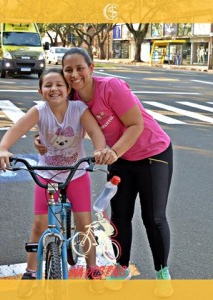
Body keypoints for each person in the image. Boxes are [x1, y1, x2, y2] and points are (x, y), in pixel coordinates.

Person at [35, 47, 173, 284]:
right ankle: (121, 268)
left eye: (80, 68)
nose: (74, 74)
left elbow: (135, 124)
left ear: (91, 68)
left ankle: (162, 274)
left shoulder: (111, 87)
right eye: (68, 70)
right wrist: (42, 140)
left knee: (153, 217)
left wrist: (113, 151)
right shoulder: (73, 98)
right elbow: (58, 120)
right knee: (120, 217)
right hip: (118, 158)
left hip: (152, 153)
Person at [0, 68, 106, 280]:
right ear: (40, 90)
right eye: (48, 85)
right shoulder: (39, 111)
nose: (54, 89)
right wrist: (3, 148)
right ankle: (31, 269)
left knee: (85, 225)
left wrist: (99, 150)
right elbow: (16, 130)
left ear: (68, 88)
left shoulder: (79, 108)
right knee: (39, 225)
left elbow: (95, 133)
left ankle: (92, 267)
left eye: (59, 85)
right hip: (47, 174)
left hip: (76, 173)